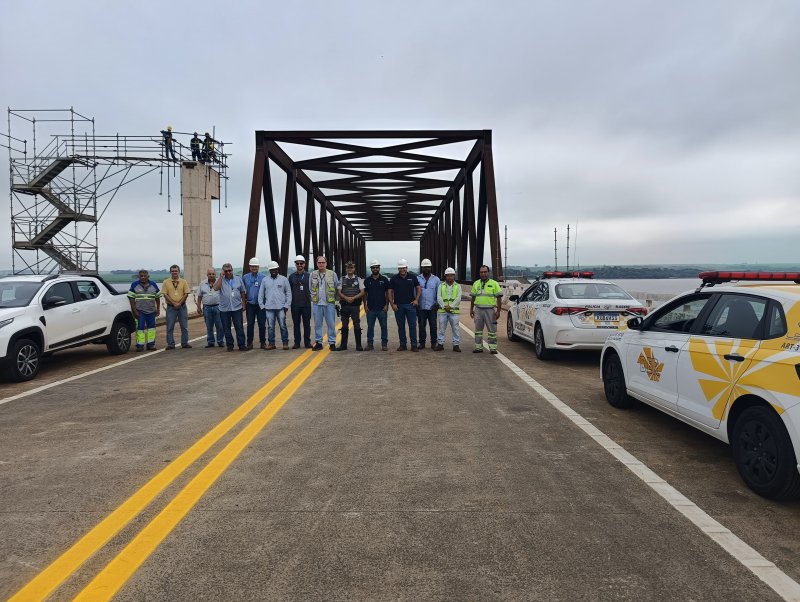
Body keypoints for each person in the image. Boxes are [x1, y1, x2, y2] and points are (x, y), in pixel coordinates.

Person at [214, 262, 248, 351]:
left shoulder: (238, 279)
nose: (228, 272)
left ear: (232, 270)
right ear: (223, 272)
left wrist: (244, 304)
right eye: (226, 271)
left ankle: (241, 345)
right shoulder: (220, 280)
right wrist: (221, 277)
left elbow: (242, 292)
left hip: (237, 307)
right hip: (224, 309)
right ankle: (230, 345)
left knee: (239, 327)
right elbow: (215, 288)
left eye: (229, 270)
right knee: (226, 328)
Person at [388, 258, 420, 352]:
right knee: (401, 326)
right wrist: (392, 304)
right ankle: (403, 344)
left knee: (412, 326)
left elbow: (418, 288)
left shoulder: (413, 277)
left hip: (411, 306)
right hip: (398, 306)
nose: (402, 270)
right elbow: (389, 291)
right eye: (400, 268)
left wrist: (416, 300)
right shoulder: (394, 278)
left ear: (407, 268)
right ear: (398, 269)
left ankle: (414, 345)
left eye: (404, 268)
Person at [258, 260, 292, 350]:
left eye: (275, 269)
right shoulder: (265, 280)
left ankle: (285, 343)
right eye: (271, 269)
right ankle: (271, 343)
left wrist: (286, 305)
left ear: (278, 269)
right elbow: (261, 294)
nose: (273, 271)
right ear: (269, 270)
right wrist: (262, 306)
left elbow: (288, 293)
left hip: (281, 307)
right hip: (269, 308)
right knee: (270, 327)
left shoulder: (284, 279)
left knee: (283, 326)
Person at [470, 264, 503, 354]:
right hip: (478, 310)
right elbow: (473, 298)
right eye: (481, 272)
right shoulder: (476, 283)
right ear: (479, 273)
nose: (483, 274)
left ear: (488, 273)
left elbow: (499, 298)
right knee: (478, 330)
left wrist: (498, 311)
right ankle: (478, 347)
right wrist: (471, 309)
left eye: (485, 272)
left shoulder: (494, 284)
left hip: (490, 310)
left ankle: (493, 348)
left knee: (492, 330)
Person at [127, 269, 161, 351]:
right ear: (139, 277)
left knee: (151, 328)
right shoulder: (134, 284)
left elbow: (157, 298)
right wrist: (134, 311)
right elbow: (131, 299)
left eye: (144, 276)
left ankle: (151, 345)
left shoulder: (153, 284)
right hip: (139, 312)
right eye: (141, 276)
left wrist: (158, 308)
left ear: (148, 276)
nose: (143, 277)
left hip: (151, 311)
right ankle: (140, 345)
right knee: (140, 329)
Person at [310, 255, 339, 351]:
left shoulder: (332, 274)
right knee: (318, 324)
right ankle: (319, 342)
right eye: (319, 262)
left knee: (331, 323)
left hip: (329, 303)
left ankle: (332, 343)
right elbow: (310, 287)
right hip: (317, 303)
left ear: (326, 263)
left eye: (323, 262)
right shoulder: (313, 274)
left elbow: (336, 286)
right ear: (317, 264)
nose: (321, 264)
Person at [335, 260, 365, 351]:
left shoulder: (359, 279)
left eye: (351, 267)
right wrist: (346, 298)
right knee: (344, 326)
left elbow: (362, 292)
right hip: (344, 305)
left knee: (357, 325)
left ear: (354, 268)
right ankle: (343, 345)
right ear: (346, 269)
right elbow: (338, 292)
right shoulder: (342, 279)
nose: (350, 269)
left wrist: (353, 298)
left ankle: (358, 345)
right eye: (348, 267)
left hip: (355, 306)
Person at [162, 264, 191, 349]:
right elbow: (165, 294)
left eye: (176, 271)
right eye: (173, 271)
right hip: (171, 307)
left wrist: (179, 303)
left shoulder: (183, 281)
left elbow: (186, 293)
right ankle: (171, 344)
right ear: (170, 272)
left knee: (184, 326)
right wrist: (174, 303)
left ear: (179, 272)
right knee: (170, 326)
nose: (174, 272)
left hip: (182, 307)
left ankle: (185, 343)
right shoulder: (166, 282)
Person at [363, 259, 389, 351]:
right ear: (371, 269)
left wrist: (387, 305)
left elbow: (388, 293)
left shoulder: (384, 280)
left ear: (379, 268)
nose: (375, 269)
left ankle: (384, 344)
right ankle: (370, 344)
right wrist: (365, 305)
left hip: (382, 308)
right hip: (371, 308)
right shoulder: (367, 280)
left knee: (384, 327)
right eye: (373, 268)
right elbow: (364, 294)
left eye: (376, 267)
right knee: (370, 327)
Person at [197, 267, 225, 348]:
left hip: (218, 307)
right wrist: (199, 306)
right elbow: (199, 296)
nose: (211, 275)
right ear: (207, 275)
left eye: (213, 274)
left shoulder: (219, 282)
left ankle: (220, 341)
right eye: (209, 274)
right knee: (209, 326)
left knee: (220, 326)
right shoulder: (202, 284)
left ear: (215, 274)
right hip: (207, 308)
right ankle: (210, 342)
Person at [288, 254, 312, 349]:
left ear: (304, 264)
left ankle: (307, 342)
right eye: (297, 263)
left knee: (307, 324)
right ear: (295, 264)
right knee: (296, 324)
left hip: (306, 304)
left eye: (301, 263)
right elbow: (289, 291)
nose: (299, 265)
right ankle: (297, 342)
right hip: (295, 305)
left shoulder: (309, 276)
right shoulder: (291, 277)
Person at [416, 258, 440, 350]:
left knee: (433, 326)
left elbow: (439, 293)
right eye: (424, 267)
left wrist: (437, 304)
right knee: (421, 326)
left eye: (428, 267)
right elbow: (415, 292)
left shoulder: (436, 279)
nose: (426, 268)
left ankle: (434, 343)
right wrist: (416, 303)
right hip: (421, 307)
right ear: (422, 268)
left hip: (432, 307)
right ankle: (422, 343)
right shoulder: (418, 279)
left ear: (431, 267)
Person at [243, 257, 266, 350]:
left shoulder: (263, 277)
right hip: (250, 305)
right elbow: (242, 291)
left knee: (262, 324)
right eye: (252, 266)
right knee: (250, 324)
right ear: (249, 267)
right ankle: (249, 343)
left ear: (258, 267)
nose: (254, 268)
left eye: (256, 266)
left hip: (260, 305)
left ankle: (263, 343)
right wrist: (243, 303)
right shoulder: (245, 277)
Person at [435, 267, 461, 352]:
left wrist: (451, 306)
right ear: (445, 276)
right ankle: (440, 344)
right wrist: (445, 307)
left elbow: (458, 298)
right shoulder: (441, 286)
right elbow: (439, 297)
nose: (450, 277)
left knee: (455, 328)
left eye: (451, 275)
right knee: (441, 328)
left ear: (454, 276)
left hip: (454, 311)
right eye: (448, 276)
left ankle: (456, 345)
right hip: (443, 311)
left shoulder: (458, 286)